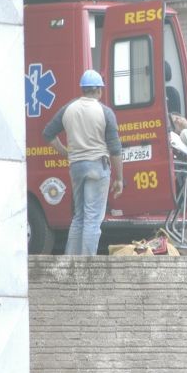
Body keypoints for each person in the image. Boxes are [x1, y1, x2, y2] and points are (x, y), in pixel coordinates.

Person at [43, 69, 123, 255]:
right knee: (93, 219)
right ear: (99, 91)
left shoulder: (69, 109)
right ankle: (88, 265)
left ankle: (71, 263)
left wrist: (66, 153)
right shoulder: (105, 112)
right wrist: (119, 178)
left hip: (76, 167)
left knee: (79, 216)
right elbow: (115, 149)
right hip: (97, 166)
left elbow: (48, 134)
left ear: (83, 89)